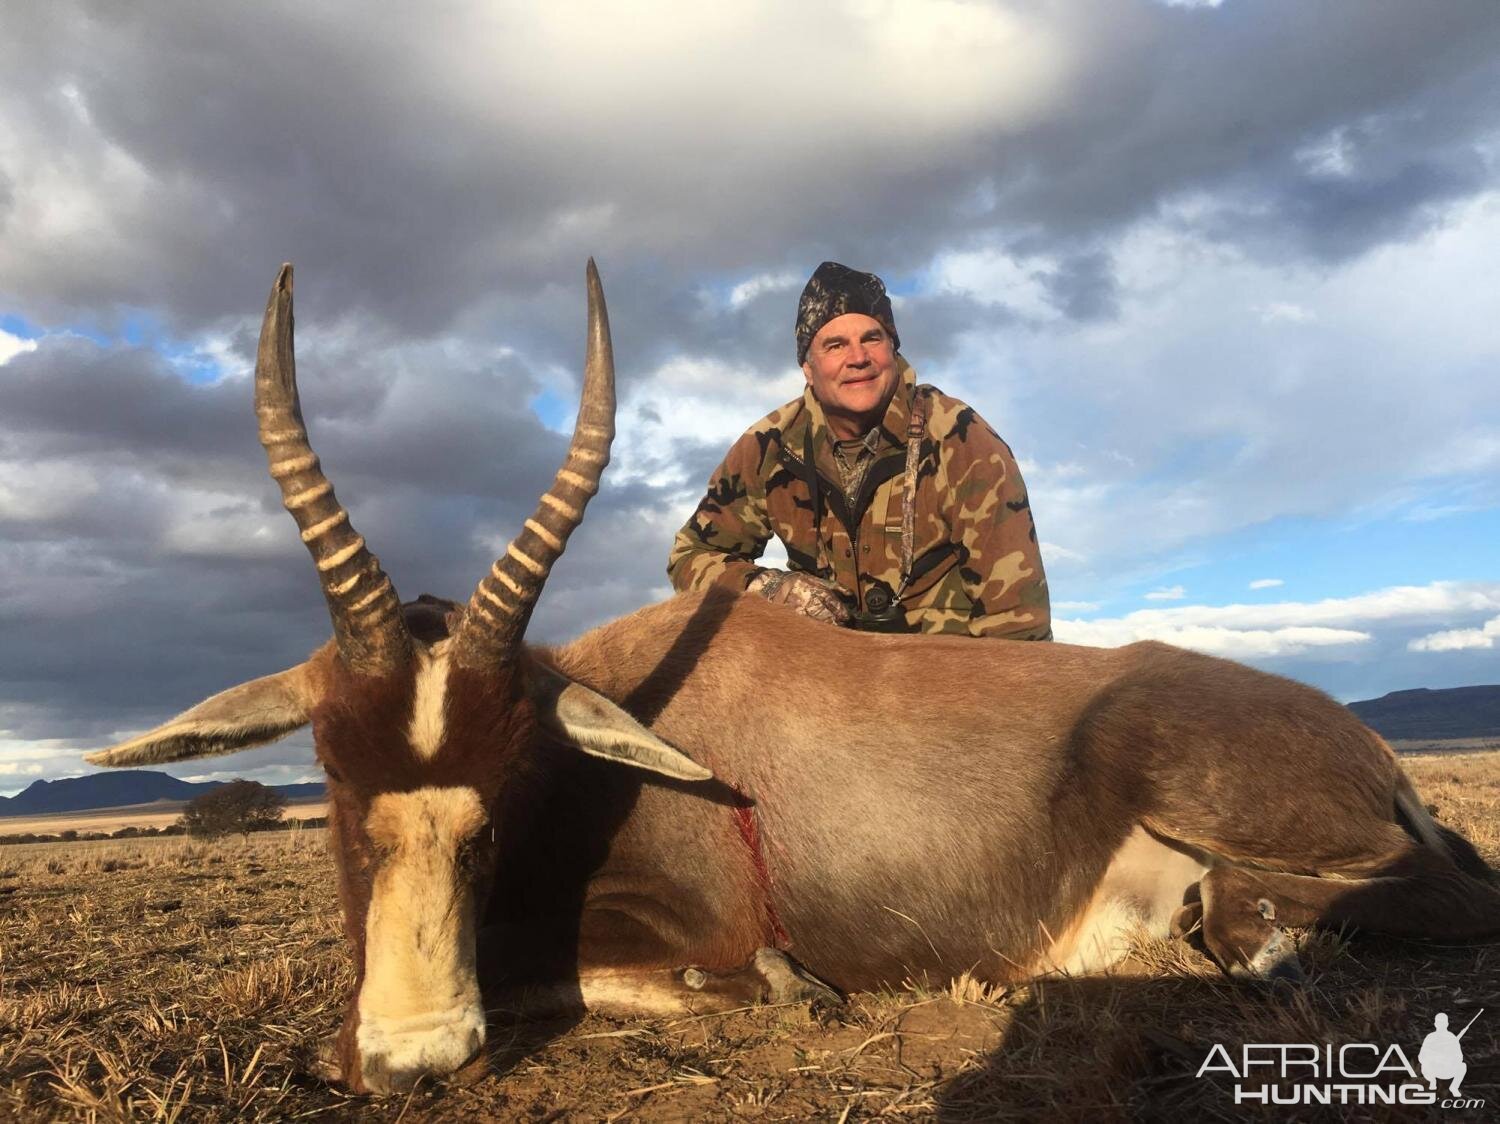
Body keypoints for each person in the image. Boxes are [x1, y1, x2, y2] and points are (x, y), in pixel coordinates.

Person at [667, 261, 1050, 639]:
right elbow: (689, 555)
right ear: (807, 366)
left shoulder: (959, 437)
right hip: (829, 672)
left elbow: (1018, 627)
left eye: (872, 338)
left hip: (944, 679)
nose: (858, 358)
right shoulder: (770, 446)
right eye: (835, 345)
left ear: (892, 348)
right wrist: (767, 589)